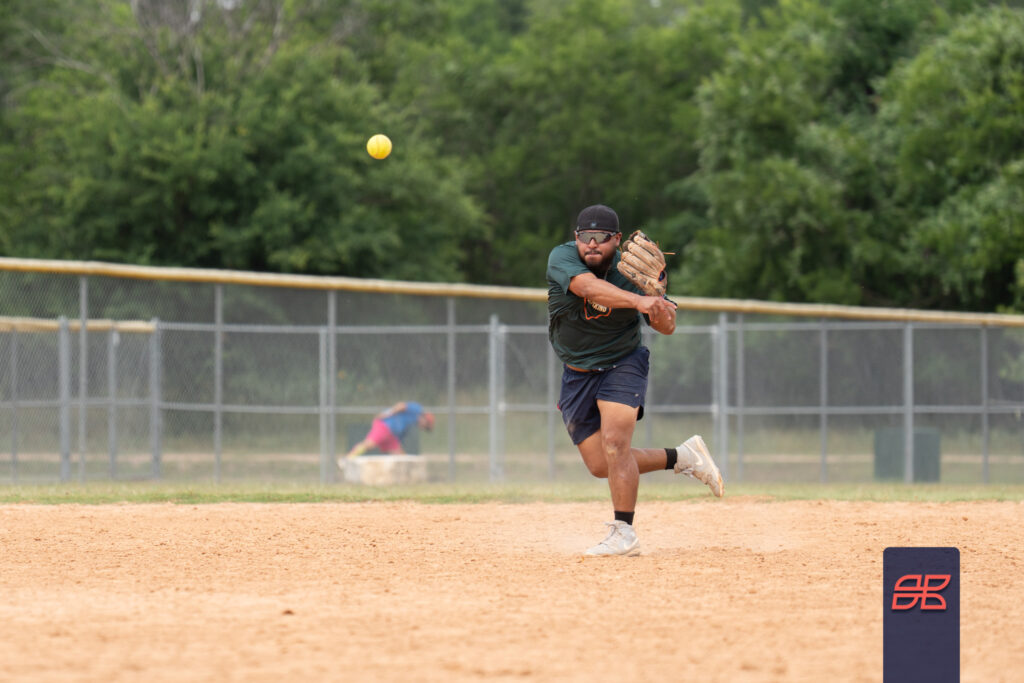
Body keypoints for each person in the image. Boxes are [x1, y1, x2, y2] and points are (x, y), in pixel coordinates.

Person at [547, 204, 724, 557]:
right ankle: (683, 457)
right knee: (601, 465)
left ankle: (624, 533)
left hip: (622, 363)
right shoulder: (562, 258)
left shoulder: (632, 271)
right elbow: (588, 288)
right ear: (575, 238)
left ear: (617, 239)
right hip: (577, 372)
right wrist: (638, 300)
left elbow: (667, 327)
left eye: (601, 237)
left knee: (616, 444)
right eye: (585, 236)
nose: (592, 244)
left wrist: (656, 298)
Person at [343, 401, 435, 460]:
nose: (423, 428)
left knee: (400, 456)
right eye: (426, 426)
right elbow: (401, 406)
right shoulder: (417, 410)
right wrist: (387, 413)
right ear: (424, 419)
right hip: (385, 425)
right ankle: (348, 459)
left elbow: (400, 435)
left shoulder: (412, 423)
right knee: (369, 444)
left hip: (391, 435)